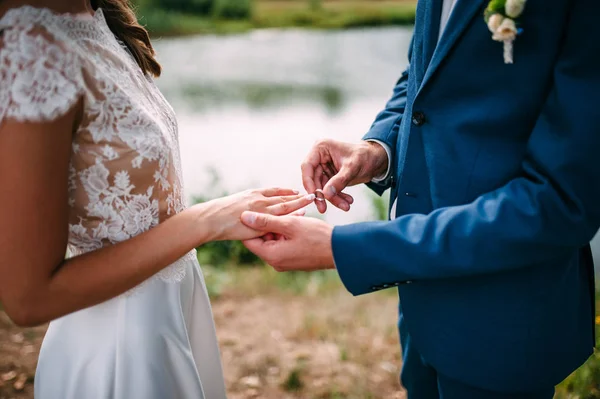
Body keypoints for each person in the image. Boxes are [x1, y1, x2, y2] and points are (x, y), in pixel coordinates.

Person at [240, 0, 599, 397]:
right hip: (422, 312)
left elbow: (560, 200)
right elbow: (425, 73)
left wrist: (343, 249)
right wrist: (378, 150)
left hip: (504, 326)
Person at [0, 0, 315, 397]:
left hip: (169, 317)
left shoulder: (91, 17)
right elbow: (28, 298)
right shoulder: (33, 51)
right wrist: (206, 220)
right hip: (117, 348)